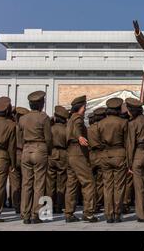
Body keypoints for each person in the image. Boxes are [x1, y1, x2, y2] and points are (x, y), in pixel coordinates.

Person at [18, 91, 53, 224]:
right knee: (39, 184)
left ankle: (25, 214)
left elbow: (19, 137)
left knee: (26, 183)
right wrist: (48, 151)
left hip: (26, 150)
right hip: (40, 149)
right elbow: (48, 138)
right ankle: (35, 214)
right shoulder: (44, 117)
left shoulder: (22, 118)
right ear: (41, 104)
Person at [64, 95, 98, 223]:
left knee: (71, 184)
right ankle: (88, 213)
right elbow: (78, 128)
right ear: (80, 107)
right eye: (84, 107)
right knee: (88, 182)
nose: (85, 109)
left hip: (70, 154)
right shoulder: (77, 118)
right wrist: (79, 137)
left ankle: (69, 213)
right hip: (78, 154)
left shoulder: (70, 119)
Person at [98, 98, 128, 223]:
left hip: (105, 155)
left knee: (107, 186)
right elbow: (127, 141)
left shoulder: (101, 123)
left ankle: (108, 214)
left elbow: (99, 141)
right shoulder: (123, 122)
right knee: (119, 186)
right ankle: (117, 213)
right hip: (119, 154)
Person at [46, 106, 69, 214]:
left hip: (51, 154)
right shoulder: (67, 129)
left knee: (50, 182)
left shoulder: (50, 128)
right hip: (63, 155)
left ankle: (49, 206)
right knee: (62, 182)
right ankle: (59, 206)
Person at [87, 108, 106, 213]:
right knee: (100, 182)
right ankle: (98, 203)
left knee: (91, 182)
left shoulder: (88, 129)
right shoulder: (103, 127)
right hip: (101, 155)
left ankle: (91, 204)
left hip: (90, 156)